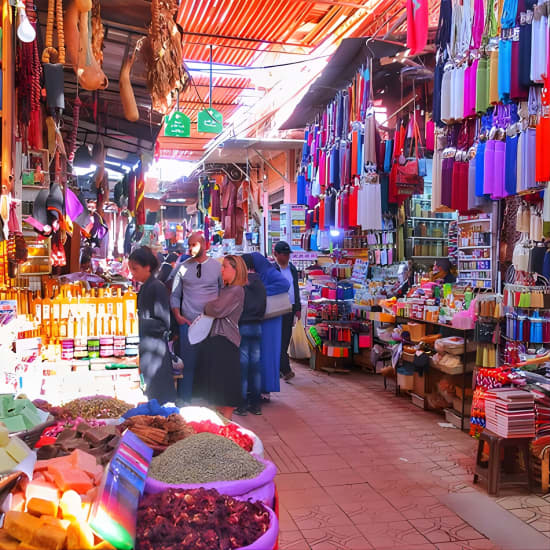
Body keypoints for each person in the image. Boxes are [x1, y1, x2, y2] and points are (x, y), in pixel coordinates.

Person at [170, 232, 222, 404]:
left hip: (212, 324)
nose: (190, 248)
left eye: (194, 245)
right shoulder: (182, 267)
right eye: (189, 245)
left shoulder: (217, 267)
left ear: (204, 244)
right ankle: (185, 402)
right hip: (188, 324)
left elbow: (223, 293)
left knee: (212, 365)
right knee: (188, 365)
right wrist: (178, 315)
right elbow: (175, 294)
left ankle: (212, 402)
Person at [198, 255, 247, 419]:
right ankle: (220, 423)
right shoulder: (224, 289)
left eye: (225, 266)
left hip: (226, 341)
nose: (221, 270)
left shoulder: (237, 290)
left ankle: (226, 424)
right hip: (216, 340)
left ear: (235, 269)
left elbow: (216, 309)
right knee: (216, 386)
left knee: (225, 386)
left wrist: (207, 305)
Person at [128, 246, 178, 405]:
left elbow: (164, 324)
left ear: (147, 267)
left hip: (156, 351)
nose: (132, 274)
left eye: (135, 269)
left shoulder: (156, 287)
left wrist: (137, 322)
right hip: (147, 347)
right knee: (150, 394)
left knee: (158, 397)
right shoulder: (145, 287)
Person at [250, 252, 290, 398]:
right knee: (262, 352)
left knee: (268, 352)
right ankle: (262, 387)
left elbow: (285, 284)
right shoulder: (262, 272)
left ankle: (266, 387)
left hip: (272, 318)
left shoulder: (269, 272)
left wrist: (262, 292)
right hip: (265, 317)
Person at [234, 254, 267, 416]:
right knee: (255, 367)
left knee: (243, 367)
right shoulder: (260, 283)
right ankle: (256, 404)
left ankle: (242, 405)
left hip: (244, 326)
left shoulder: (242, 284)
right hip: (257, 326)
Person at [273, 241, 301, 381]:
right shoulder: (272, 269)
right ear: (276, 254)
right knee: (278, 339)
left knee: (285, 339)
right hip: (276, 309)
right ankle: (285, 369)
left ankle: (280, 368)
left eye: (288, 254)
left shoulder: (292, 269)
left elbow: (295, 288)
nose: (286, 257)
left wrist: (298, 308)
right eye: (284, 254)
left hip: (290, 308)